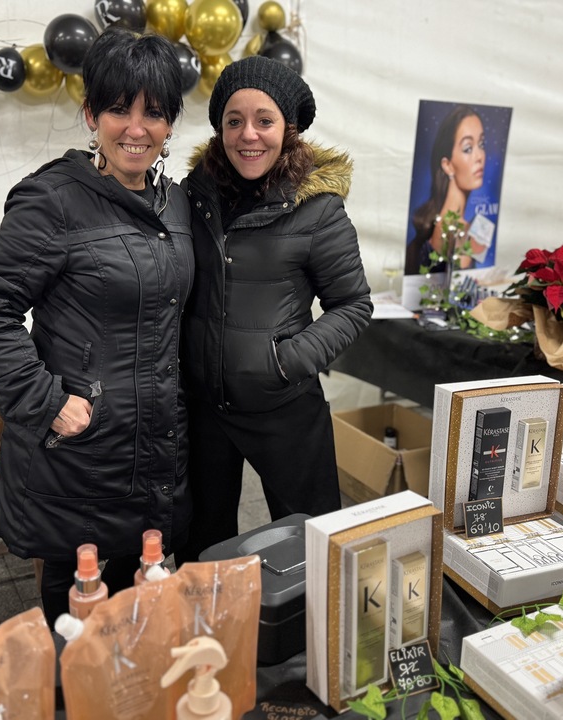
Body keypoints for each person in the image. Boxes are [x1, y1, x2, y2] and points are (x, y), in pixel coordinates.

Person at [0, 29, 192, 628]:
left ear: (170, 124)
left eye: (154, 113)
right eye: (119, 109)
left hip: (153, 446)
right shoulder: (54, 201)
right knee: (78, 611)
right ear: (91, 115)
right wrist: (46, 402)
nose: (136, 128)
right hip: (81, 448)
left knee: (141, 602)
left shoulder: (175, 204)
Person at [177, 56, 372, 562]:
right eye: (234, 120)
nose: (249, 135)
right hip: (205, 408)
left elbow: (352, 304)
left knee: (311, 548)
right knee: (202, 548)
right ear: (219, 128)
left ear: (289, 128)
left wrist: (285, 361)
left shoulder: (318, 209)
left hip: (284, 406)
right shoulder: (193, 196)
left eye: (264, 120)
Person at [406, 104, 487, 275]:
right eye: (468, 148)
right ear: (447, 165)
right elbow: (453, 285)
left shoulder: (472, 226)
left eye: (481, 144)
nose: (479, 156)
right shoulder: (446, 227)